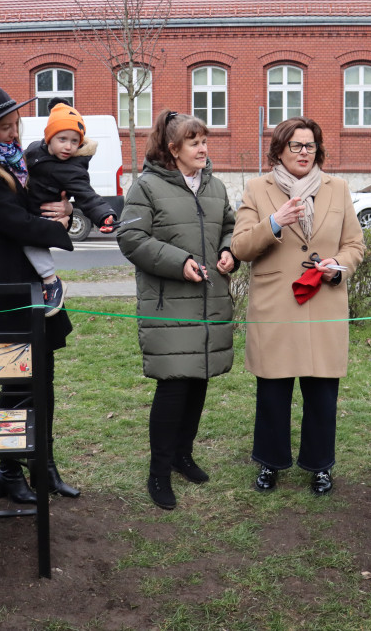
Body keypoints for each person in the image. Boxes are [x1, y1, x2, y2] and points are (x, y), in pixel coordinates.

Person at [0, 86, 80, 501]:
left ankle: (42, 465)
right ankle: (9, 470)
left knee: (43, 377)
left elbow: (42, 203)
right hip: (4, 285)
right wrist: (58, 229)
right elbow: (17, 223)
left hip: (34, 279)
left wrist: (67, 210)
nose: (13, 133)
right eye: (4, 128)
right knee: (18, 380)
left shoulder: (20, 162)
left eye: (15, 125)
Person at [230, 116, 365, 496]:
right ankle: (270, 464)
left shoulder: (337, 189)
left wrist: (338, 268)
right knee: (273, 393)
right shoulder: (258, 189)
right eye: (296, 146)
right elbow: (240, 247)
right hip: (276, 307)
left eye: (310, 146)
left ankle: (319, 466)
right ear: (279, 150)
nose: (304, 153)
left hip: (324, 303)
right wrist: (274, 222)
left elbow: (354, 244)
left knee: (322, 393)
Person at [117, 109, 238, 510]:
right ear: (174, 149)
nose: (203, 148)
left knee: (199, 379)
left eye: (205, 140)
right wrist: (179, 261)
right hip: (170, 304)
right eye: (194, 142)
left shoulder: (215, 187)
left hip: (210, 302)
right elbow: (131, 236)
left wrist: (227, 251)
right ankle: (159, 470)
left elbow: (229, 225)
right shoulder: (147, 187)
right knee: (174, 386)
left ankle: (184, 455)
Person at [23, 98, 118, 315]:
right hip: (27, 207)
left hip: (42, 214)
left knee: (30, 242)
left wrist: (104, 215)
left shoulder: (72, 168)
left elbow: (87, 195)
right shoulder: (33, 149)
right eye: (62, 139)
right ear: (49, 138)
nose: (68, 146)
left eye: (75, 141)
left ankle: (51, 281)